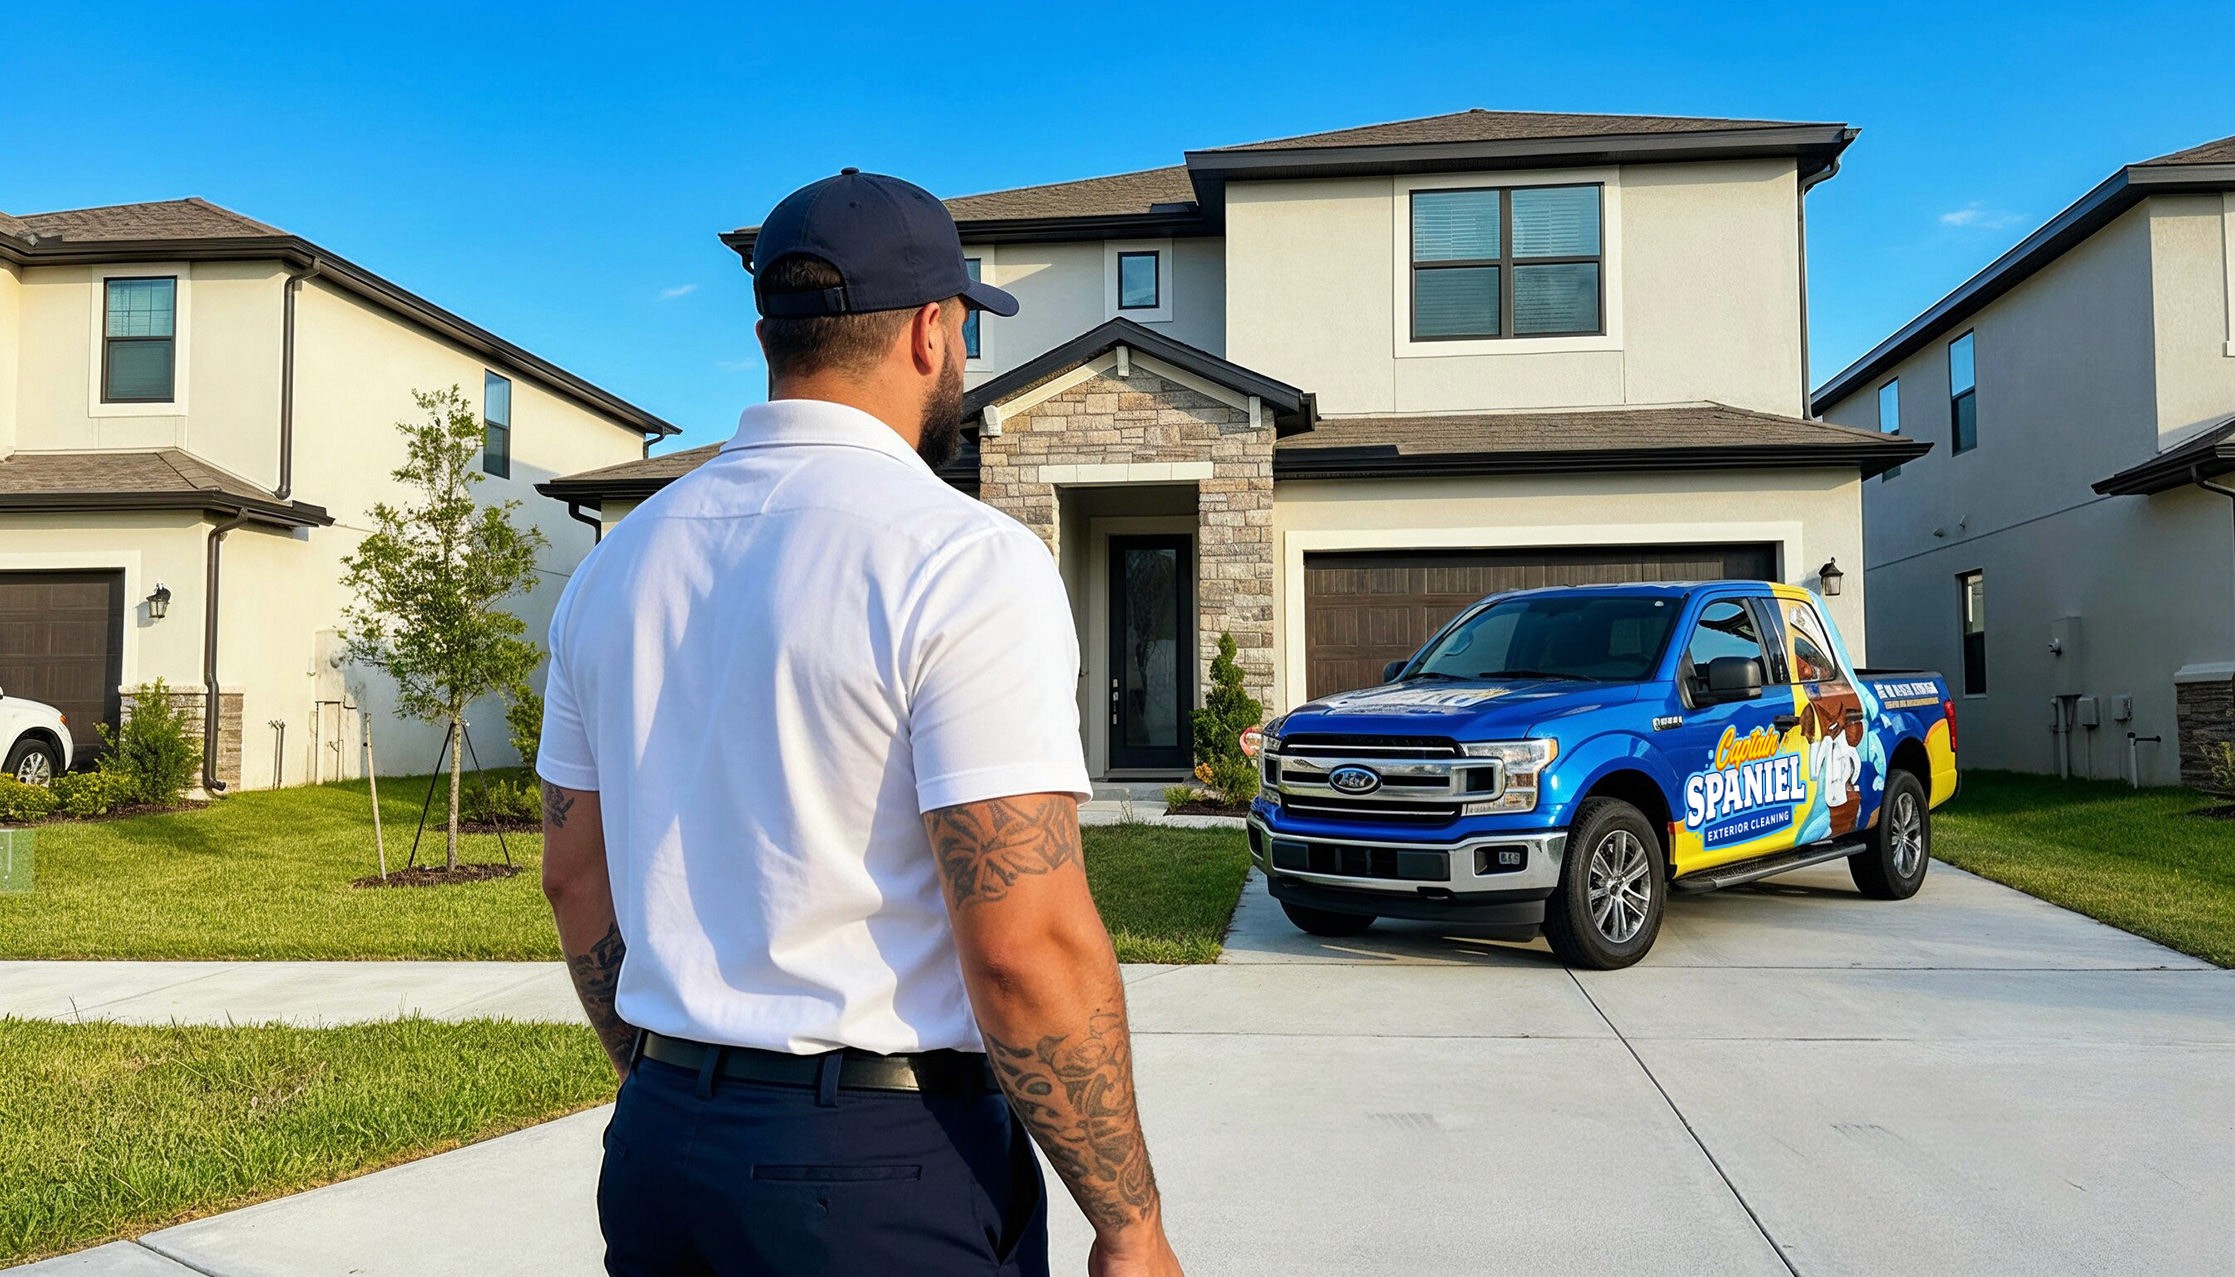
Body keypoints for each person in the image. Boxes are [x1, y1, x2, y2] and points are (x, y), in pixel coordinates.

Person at [537, 169, 1182, 1277]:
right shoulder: (962, 562)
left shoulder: (619, 566)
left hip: (661, 1151)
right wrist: (1131, 1225)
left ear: (767, 336)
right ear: (932, 333)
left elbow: (571, 873)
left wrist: (664, 1077)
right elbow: (1024, 946)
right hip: (879, 1169)